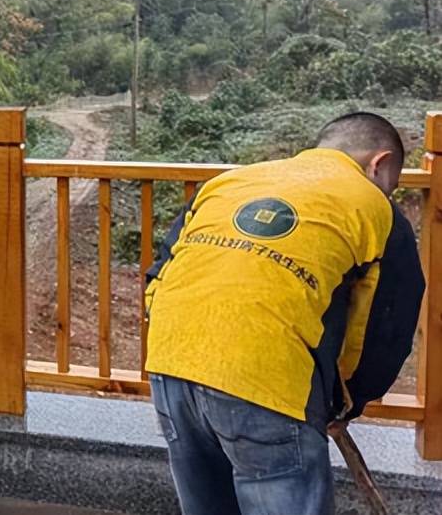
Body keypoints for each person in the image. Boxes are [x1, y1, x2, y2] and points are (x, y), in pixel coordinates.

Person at [144, 112, 425, 515]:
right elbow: (382, 329)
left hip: (171, 367)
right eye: (391, 185)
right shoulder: (377, 211)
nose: (389, 195)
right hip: (267, 380)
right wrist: (348, 401)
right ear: (378, 164)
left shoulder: (230, 182)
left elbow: (159, 276)